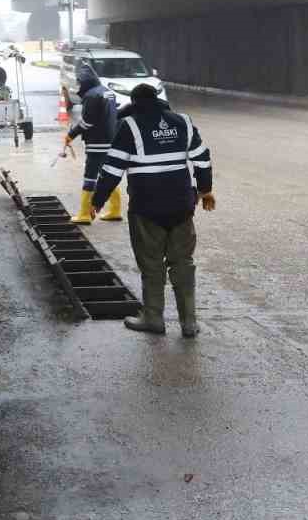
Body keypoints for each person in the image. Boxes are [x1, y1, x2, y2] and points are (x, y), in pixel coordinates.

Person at [91, 79, 215, 337]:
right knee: (183, 262)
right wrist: (205, 190)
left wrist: (97, 201)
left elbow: (112, 169)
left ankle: (153, 318)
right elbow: (202, 159)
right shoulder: (183, 122)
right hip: (182, 207)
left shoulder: (130, 126)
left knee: (151, 264)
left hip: (147, 209)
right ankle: (189, 322)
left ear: (134, 103)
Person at [61, 60, 122, 224]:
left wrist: (71, 135)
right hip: (110, 140)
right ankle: (115, 210)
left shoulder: (91, 95)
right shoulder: (107, 92)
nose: (78, 86)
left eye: (80, 82)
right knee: (107, 175)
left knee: (90, 177)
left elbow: (87, 122)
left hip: (97, 142)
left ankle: (84, 213)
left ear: (86, 81)